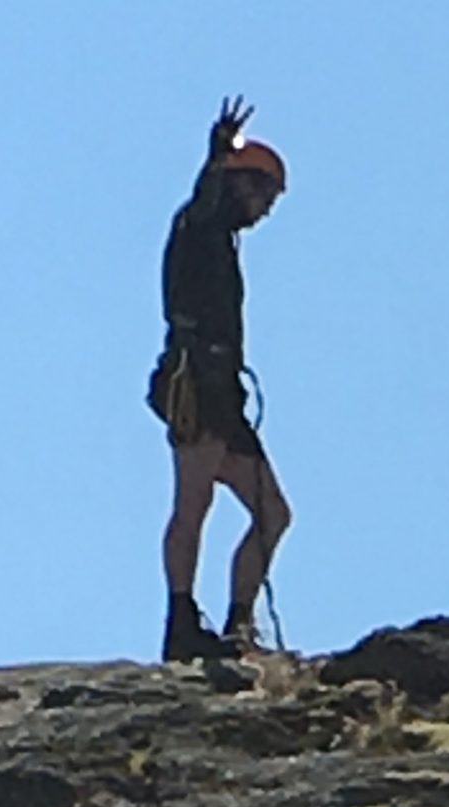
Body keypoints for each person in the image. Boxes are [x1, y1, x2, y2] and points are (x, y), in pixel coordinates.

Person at [149, 97, 292, 663]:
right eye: (263, 195)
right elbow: (206, 204)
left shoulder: (219, 239)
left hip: (221, 388)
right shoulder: (200, 222)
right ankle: (182, 623)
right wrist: (215, 160)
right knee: (194, 503)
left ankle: (236, 626)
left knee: (272, 513)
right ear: (240, 185)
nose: (265, 210)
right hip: (197, 381)